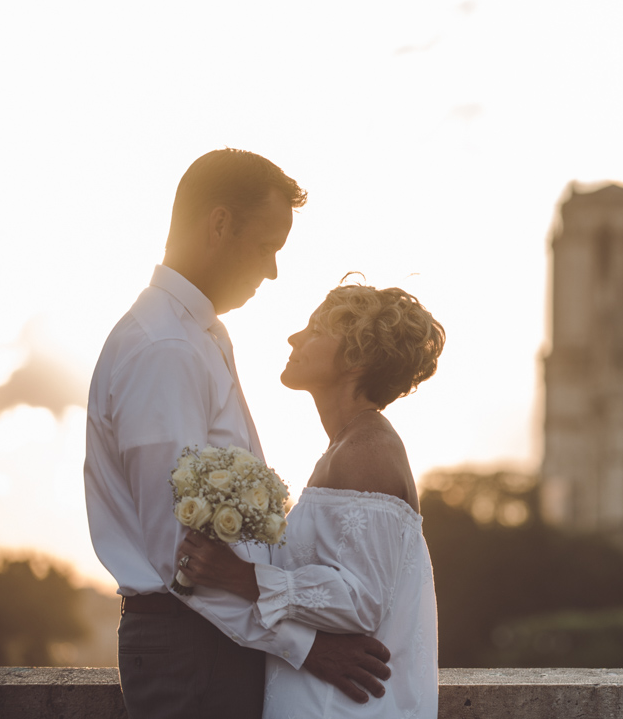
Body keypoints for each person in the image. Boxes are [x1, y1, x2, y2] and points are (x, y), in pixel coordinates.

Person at [84, 149, 391, 718]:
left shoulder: (200, 336)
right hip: (191, 647)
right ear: (219, 224)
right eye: (267, 246)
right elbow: (181, 556)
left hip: (216, 639)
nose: (272, 270)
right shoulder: (166, 349)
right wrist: (309, 648)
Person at [175, 280, 444, 719]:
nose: (294, 338)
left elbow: (361, 601)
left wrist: (240, 577)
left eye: (316, 329)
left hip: (342, 708)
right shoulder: (346, 448)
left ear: (356, 357)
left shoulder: (368, 451)